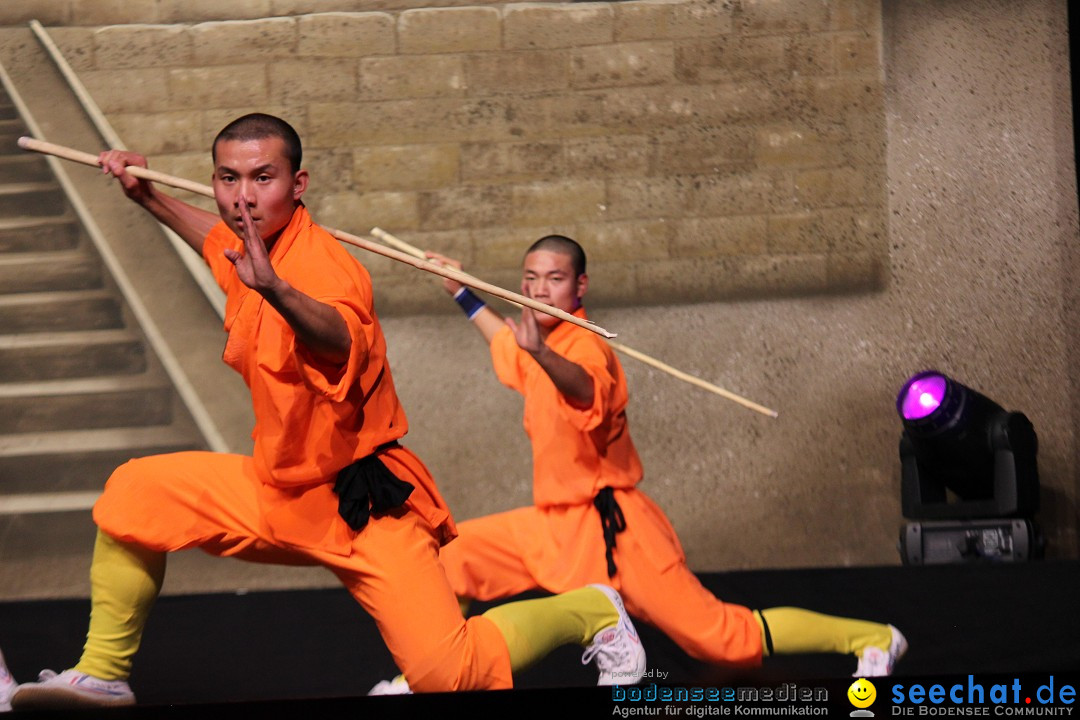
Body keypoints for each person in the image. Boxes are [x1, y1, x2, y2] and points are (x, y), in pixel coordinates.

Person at [7, 115, 645, 710]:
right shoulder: (246, 247)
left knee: (446, 676)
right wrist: (147, 198)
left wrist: (279, 291)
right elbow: (217, 239)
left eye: (263, 178)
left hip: (363, 504)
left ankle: (592, 608)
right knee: (135, 493)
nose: (243, 197)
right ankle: (104, 673)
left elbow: (341, 335)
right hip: (279, 491)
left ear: (297, 183)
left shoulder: (323, 266)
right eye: (228, 179)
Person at [373, 235, 907, 693]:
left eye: (554, 279)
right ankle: (428, 678)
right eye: (530, 278)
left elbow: (583, 389)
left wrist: (541, 353)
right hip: (553, 524)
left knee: (722, 639)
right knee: (447, 558)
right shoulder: (541, 342)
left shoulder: (584, 348)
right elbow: (510, 349)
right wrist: (461, 292)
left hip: (617, 530)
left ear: (578, 287)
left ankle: (873, 639)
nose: (538, 290)